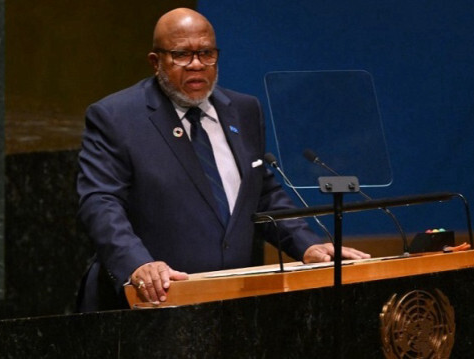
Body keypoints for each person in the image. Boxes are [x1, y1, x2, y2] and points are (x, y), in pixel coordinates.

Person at [76, 7, 369, 312]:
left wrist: (307, 245)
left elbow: (262, 194)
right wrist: (138, 265)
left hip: (231, 301)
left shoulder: (243, 110)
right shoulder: (117, 117)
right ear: (156, 61)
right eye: (181, 55)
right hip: (150, 303)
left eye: (206, 53)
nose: (196, 65)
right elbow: (99, 201)